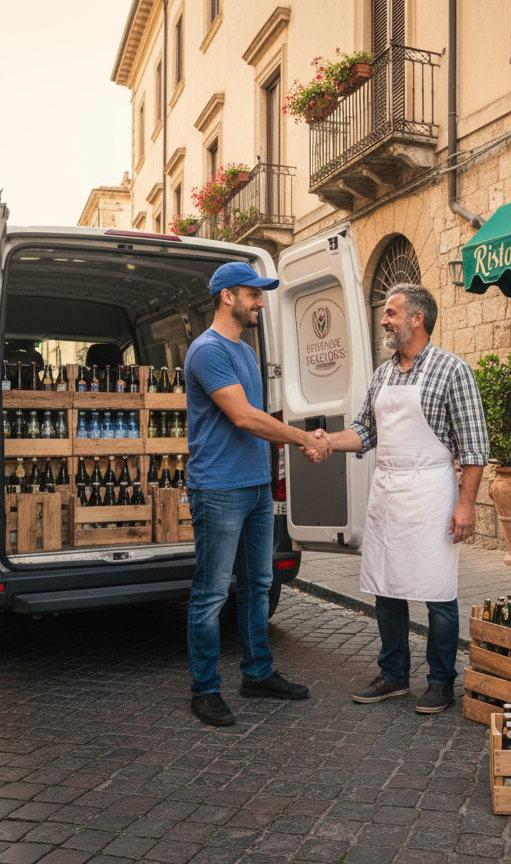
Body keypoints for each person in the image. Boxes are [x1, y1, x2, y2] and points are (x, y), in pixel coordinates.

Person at [305, 283, 489, 714]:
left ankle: (442, 681)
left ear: (416, 319)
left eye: (391, 313)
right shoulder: (382, 374)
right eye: (386, 313)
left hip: (431, 494)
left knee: (439, 593)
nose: (384, 320)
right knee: (386, 588)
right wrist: (330, 440)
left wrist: (466, 505)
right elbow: (364, 431)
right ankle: (393, 675)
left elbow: (475, 447)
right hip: (387, 493)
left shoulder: (452, 370)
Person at [184, 261, 331, 726]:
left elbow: (259, 421)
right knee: (211, 594)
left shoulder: (245, 353)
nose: (261, 302)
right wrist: (304, 438)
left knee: (258, 586)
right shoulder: (207, 351)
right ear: (227, 295)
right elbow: (245, 417)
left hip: (255, 487)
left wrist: (288, 447)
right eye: (254, 294)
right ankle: (205, 690)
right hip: (218, 488)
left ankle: (257, 673)